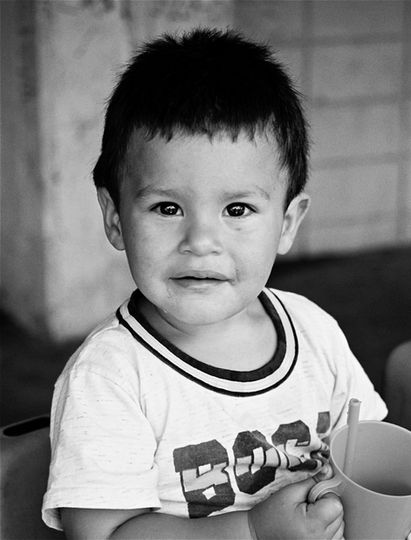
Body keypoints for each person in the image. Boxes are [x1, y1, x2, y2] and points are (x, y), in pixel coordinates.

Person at [42, 28, 387, 539]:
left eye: (237, 209)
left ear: (287, 223)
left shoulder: (315, 333)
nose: (201, 241)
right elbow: (101, 535)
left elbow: (368, 455)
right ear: (115, 217)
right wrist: (252, 530)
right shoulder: (110, 378)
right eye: (167, 208)